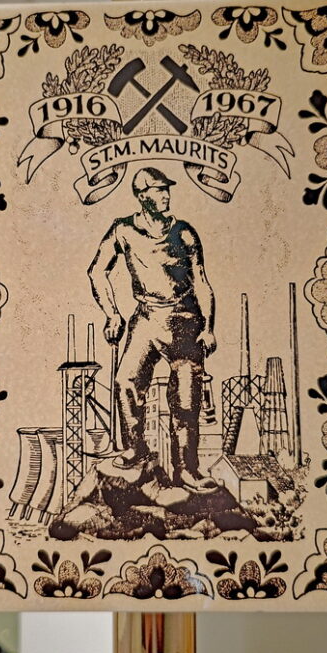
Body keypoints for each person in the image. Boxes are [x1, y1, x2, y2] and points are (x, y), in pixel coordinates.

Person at [88, 167, 217, 492]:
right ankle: (136, 449)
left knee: (186, 399)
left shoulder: (184, 233)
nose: (166, 195)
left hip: (184, 320)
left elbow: (202, 282)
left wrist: (208, 327)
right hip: (146, 318)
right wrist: (112, 314)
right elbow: (97, 271)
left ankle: (187, 469)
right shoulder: (123, 230)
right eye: (159, 190)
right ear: (142, 196)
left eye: (167, 189)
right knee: (126, 381)